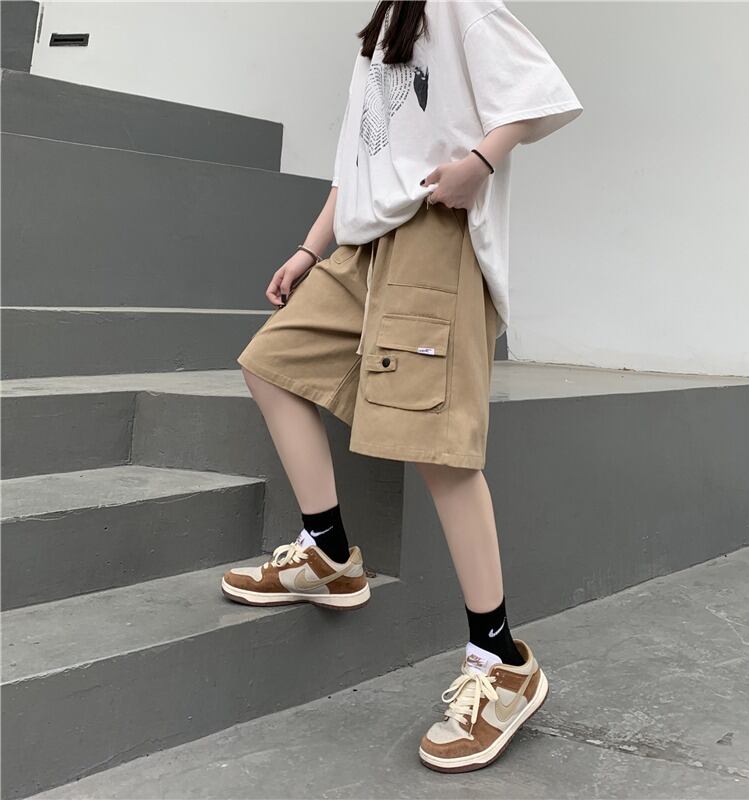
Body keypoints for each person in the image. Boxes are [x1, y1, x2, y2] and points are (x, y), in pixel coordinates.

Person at [221, 0, 582, 773]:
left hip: (430, 236)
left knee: (437, 447)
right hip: (362, 246)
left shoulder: (457, 4)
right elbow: (362, 157)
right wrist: (310, 250)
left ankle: (501, 661)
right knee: (270, 363)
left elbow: (540, 91)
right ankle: (327, 552)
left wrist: (478, 164)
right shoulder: (386, 23)